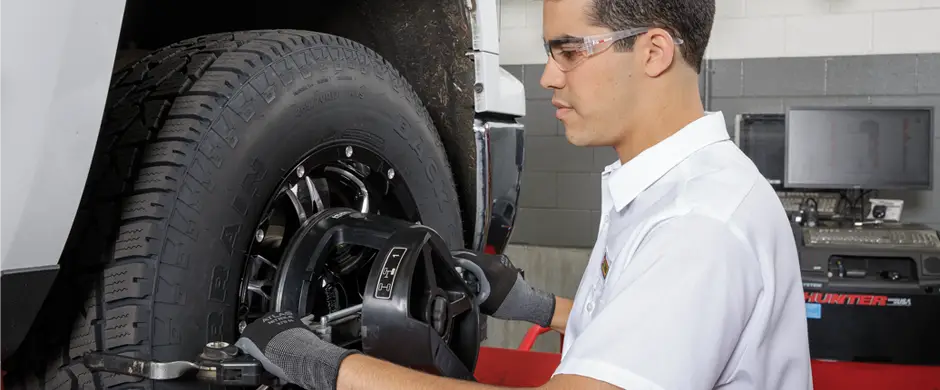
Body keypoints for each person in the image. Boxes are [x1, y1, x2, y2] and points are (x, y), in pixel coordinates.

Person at [235, 0, 814, 388]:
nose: (548, 76)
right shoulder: (678, 192)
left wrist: (335, 368)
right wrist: (543, 309)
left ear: (654, 52)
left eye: (568, 52)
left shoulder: (701, 224)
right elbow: (655, 329)